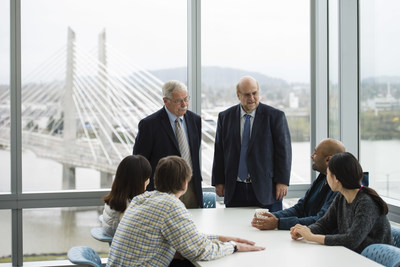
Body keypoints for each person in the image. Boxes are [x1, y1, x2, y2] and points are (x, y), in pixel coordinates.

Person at [107, 156, 265, 267]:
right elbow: (201, 251)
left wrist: (219, 238)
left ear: (156, 179)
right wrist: (233, 246)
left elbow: (188, 238)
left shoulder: (141, 199)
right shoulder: (170, 206)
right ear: (185, 183)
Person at [212, 76, 292, 211]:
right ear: (238, 95)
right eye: (247, 94)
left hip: (266, 189)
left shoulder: (275, 116)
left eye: (255, 93)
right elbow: (219, 151)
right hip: (235, 189)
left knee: (269, 230)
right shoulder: (225, 117)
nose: (252, 98)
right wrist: (219, 181)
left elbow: (284, 152)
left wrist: (282, 181)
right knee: (235, 230)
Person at [290, 152, 393, 253]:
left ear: (336, 179)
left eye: (328, 173)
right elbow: (324, 225)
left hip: (372, 260)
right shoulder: (341, 197)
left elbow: (351, 240)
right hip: (352, 256)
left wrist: (312, 237)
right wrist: (304, 232)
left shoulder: (366, 203)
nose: (327, 177)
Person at [132, 80, 202, 208]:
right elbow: (140, 162)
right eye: (178, 101)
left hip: (191, 187)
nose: (184, 104)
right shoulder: (149, 125)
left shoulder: (195, 120)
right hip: (162, 190)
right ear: (165, 101)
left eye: (186, 99)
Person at [251, 138, 345, 230]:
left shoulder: (340, 187)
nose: (311, 156)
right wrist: (271, 216)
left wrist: (278, 223)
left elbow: (320, 220)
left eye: (315, 153)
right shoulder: (322, 178)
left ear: (328, 160)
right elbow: (300, 208)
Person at [101, 155, 151, 237]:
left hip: (109, 230)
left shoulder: (116, 195)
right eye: (146, 177)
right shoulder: (130, 206)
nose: (148, 180)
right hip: (118, 235)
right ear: (139, 181)